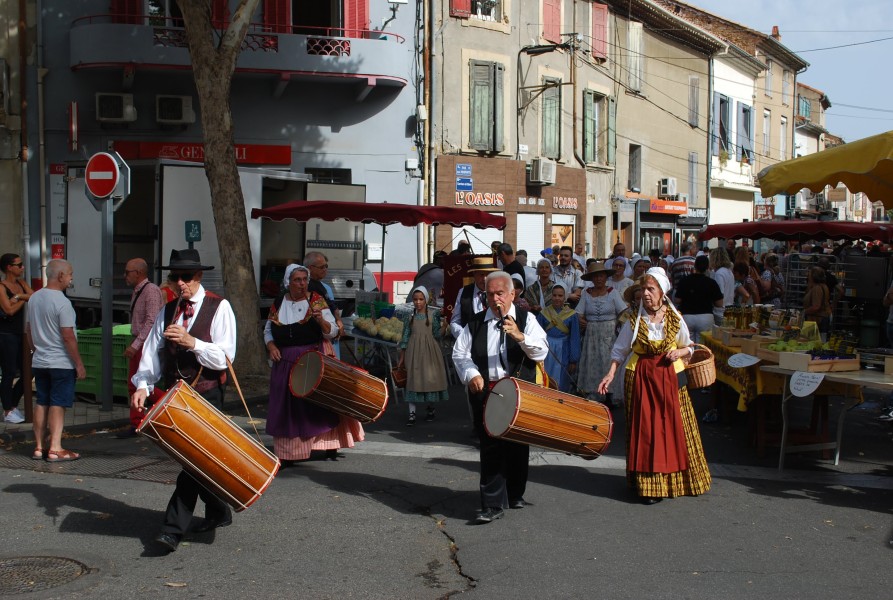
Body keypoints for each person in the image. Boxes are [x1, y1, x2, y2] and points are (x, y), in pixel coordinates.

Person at [131, 249, 237, 553]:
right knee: (195, 462)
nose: (180, 283)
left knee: (192, 463)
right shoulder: (167, 310)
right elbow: (152, 353)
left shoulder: (220, 307)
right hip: (175, 396)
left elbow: (226, 358)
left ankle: (171, 530)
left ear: (199, 276)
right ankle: (218, 510)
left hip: (207, 393)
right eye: (174, 277)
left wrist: (193, 343)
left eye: (186, 277)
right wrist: (142, 384)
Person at [597, 267, 711, 505]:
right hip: (641, 377)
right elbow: (620, 350)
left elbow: (690, 347)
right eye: (643, 290)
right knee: (646, 430)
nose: (646, 294)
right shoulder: (634, 320)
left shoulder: (675, 318)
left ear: (662, 292)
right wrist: (609, 374)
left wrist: (679, 351)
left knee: (675, 428)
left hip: (670, 378)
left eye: (651, 289)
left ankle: (683, 480)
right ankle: (649, 486)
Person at [452, 271, 549, 524]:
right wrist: (472, 374)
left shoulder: (527, 319)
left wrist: (520, 336)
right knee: (491, 447)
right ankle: (492, 503)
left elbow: (542, 352)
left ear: (512, 294)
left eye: (500, 294)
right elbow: (460, 354)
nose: (495, 299)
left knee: (518, 445)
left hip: (519, 393)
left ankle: (516, 494)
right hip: (489, 392)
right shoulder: (474, 323)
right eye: (490, 294)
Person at [265, 264, 363, 461]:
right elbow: (268, 329)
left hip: (311, 358)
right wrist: (271, 347)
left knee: (317, 404)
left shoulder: (316, 301)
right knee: (287, 407)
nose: (302, 283)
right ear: (288, 282)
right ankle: (287, 454)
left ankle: (329, 444)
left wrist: (322, 322)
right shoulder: (279, 302)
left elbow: (333, 331)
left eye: (304, 279)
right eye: (297, 280)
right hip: (285, 361)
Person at [26, 259, 86, 461]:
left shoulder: (34, 298)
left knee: (42, 401)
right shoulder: (62, 302)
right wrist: (78, 363)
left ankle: (38, 446)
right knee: (58, 403)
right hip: (61, 361)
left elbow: (28, 330)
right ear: (60, 276)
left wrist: (36, 349)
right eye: (70, 274)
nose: (71, 278)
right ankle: (55, 447)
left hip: (40, 360)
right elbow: (68, 335)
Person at [118, 258, 166, 438]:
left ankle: (139, 421)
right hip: (141, 340)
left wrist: (136, 345)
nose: (125, 276)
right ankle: (139, 419)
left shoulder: (150, 291)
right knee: (138, 383)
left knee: (139, 383)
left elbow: (152, 321)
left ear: (138, 273)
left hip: (146, 342)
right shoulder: (140, 290)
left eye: (127, 272)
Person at [575, 262, 627, 406]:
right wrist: (581, 320)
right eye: (596, 276)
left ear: (606, 277)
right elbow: (578, 313)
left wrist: (617, 324)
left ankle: (610, 393)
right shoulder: (586, 293)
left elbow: (623, 311)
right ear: (591, 278)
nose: (599, 279)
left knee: (608, 361)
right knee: (592, 362)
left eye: (601, 276)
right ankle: (594, 393)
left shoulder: (613, 292)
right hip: (591, 333)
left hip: (609, 332)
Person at [398, 286, 448, 426]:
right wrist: (402, 357)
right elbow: (405, 336)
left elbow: (437, 334)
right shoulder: (410, 316)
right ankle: (412, 414)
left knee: (430, 379)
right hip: (413, 353)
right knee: (412, 381)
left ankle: (431, 408)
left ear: (426, 300)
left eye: (421, 299)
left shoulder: (434, 315)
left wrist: (445, 326)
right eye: (415, 299)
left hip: (430, 351)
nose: (418, 302)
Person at [0, 253, 33, 423]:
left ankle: (12, 405)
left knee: (29, 370)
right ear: (9, 268)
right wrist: (22, 298)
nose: (22, 267)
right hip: (6, 335)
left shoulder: (21, 283)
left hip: (21, 334)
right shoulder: (1, 286)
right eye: (19, 265)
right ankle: (7, 410)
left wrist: (18, 297)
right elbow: (9, 310)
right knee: (9, 372)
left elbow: (33, 296)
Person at [536, 283, 580, 392]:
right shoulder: (544, 313)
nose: (557, 298)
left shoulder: (572, 314)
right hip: (547, 348)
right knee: (545, 374)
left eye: (560, 296)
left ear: (565, 297)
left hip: (563, 349)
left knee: (562, 376)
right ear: (551, 296)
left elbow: (574, 338)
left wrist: (573, 359)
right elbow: (537, 334)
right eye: (554, 295)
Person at [304, 251, 344, 359]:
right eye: (321, 267)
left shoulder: (324, 287)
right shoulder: (308, 287)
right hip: (318, 340)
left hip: (330, 333)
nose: (325, 269)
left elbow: (332, 306)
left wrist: (338, 320)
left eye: (326, 266)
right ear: (310, 268)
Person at [675, 256, 723, 344]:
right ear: (707, 267)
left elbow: (677, 300)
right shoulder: (711, 282)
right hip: (706, 317)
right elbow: (719, 303)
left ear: (695, 266)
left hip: (687, 316)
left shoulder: (685, 281)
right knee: (703, 347)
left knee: (687, 345)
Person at [448, 256, 496, 339]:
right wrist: (465, 337)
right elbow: (455, 322)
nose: (484, 279)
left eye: (488, 275)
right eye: (481, 275)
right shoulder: (463, 292)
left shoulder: (498, 293)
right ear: (474, 274)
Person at [803, 266, 831, 336]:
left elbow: (816, 306)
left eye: (809, 274)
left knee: (816, 342)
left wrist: (804, 312)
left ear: (813, 276)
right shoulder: (823, 286)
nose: (807, 275)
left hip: (818, 319)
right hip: (822, 318)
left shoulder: (817, 288)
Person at [708, 247, 735, 313]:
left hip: (720, 311)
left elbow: (720, 294)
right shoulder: (729, 272)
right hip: (729, 307)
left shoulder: (719, 273)